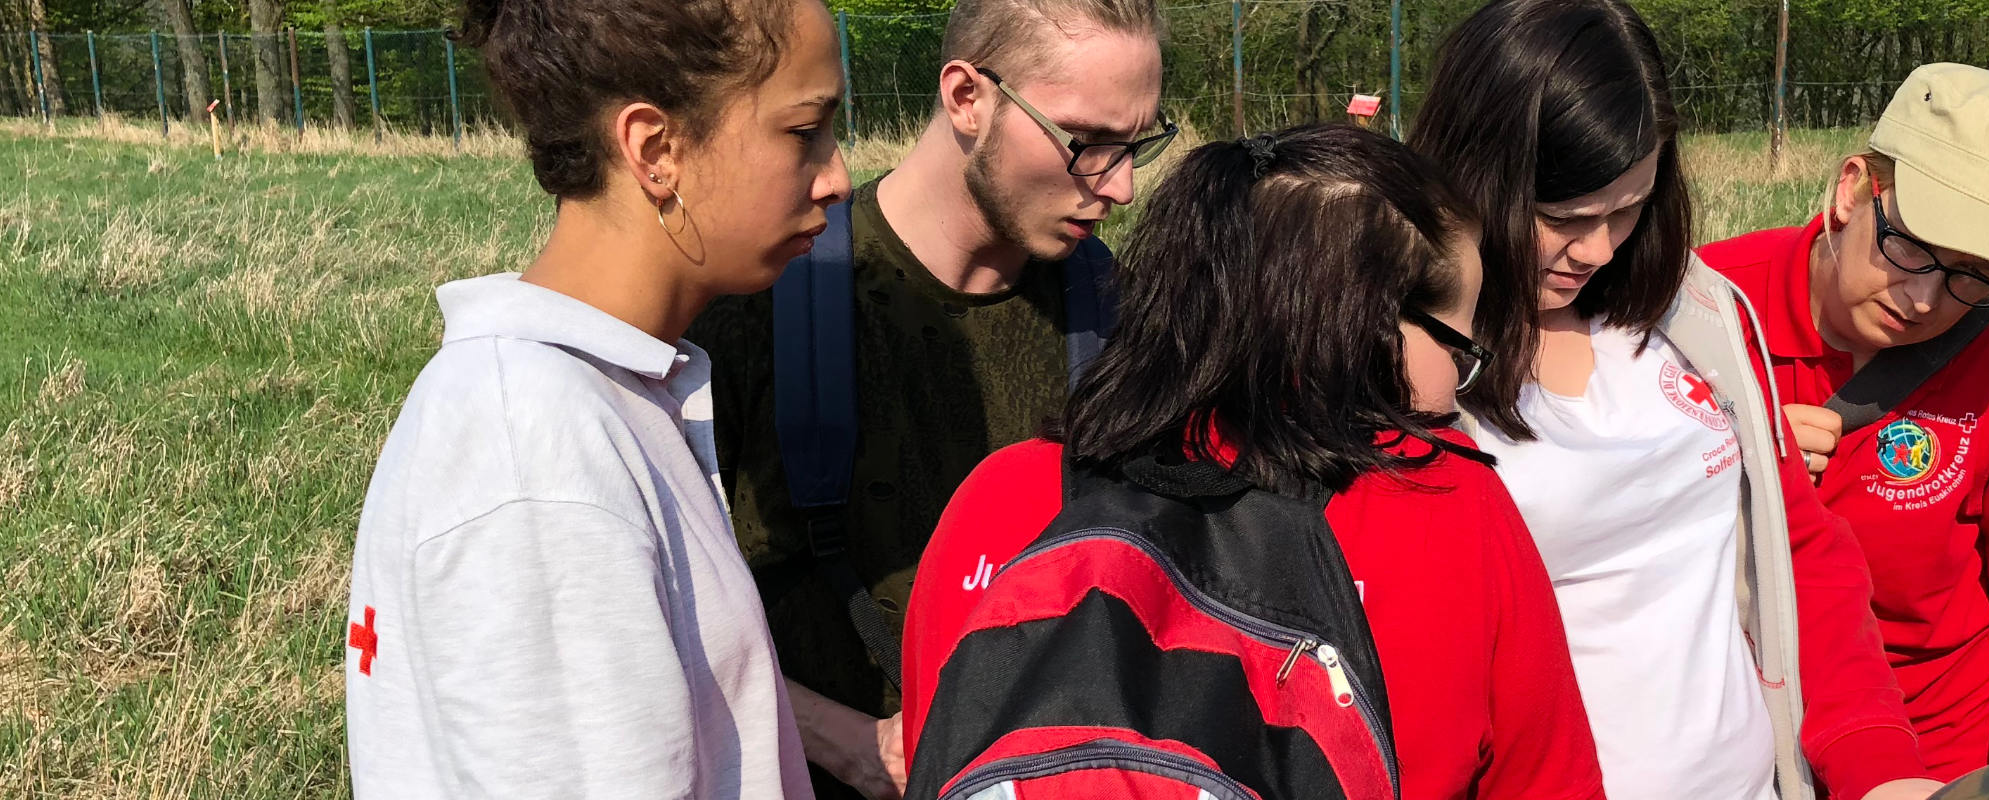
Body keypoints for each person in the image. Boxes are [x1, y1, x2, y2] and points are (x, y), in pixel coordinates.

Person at [903, 124, 1608, 800]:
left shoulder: (999, 495)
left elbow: (937, 757)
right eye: (1460, 348)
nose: (1458, 388)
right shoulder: (1447, 503)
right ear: (1367, 327)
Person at [1408, 1, 1941, 798]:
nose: (1597, 249)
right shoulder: (1410, 369)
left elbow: (1800, 554)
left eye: (1628, 209)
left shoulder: (1699, 314)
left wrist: (1880, 769)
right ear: (1473, 173)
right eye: (1562, 217)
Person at [342, 0, 850, 795]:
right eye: (804, 131)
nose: (838, 176)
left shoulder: (601, 394)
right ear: (656, 150)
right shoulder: (535, 447)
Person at [679, 0, 1173, 796]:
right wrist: (840, 739)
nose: (1120, 186)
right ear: (967, 97)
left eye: (1137, 145)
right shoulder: (759, 305)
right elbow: (650, 612)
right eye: (1085, 142)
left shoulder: (1124, 317)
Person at [1697, 62, 1989, 780]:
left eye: (1974, 274)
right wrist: (1718, 460)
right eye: (1913, 245)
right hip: (1719, 748)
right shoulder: (1703, 311)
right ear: (1853, 189)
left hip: (1922, 767)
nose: (1924, 300)